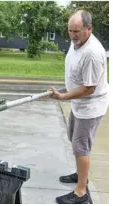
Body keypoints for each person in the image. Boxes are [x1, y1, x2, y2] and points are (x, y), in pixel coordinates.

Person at [50, 10, 109, 204]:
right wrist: (66, 89)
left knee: (81, 147)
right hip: (78, 102)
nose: (73, 35)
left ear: (89, 28)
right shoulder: (77, 42)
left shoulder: (92, 53)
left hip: (89, 105)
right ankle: (80, 174)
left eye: (76, 31)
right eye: (70, 31)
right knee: (72, 137)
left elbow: (89, 88)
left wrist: (64, 96)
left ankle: (81, 192)